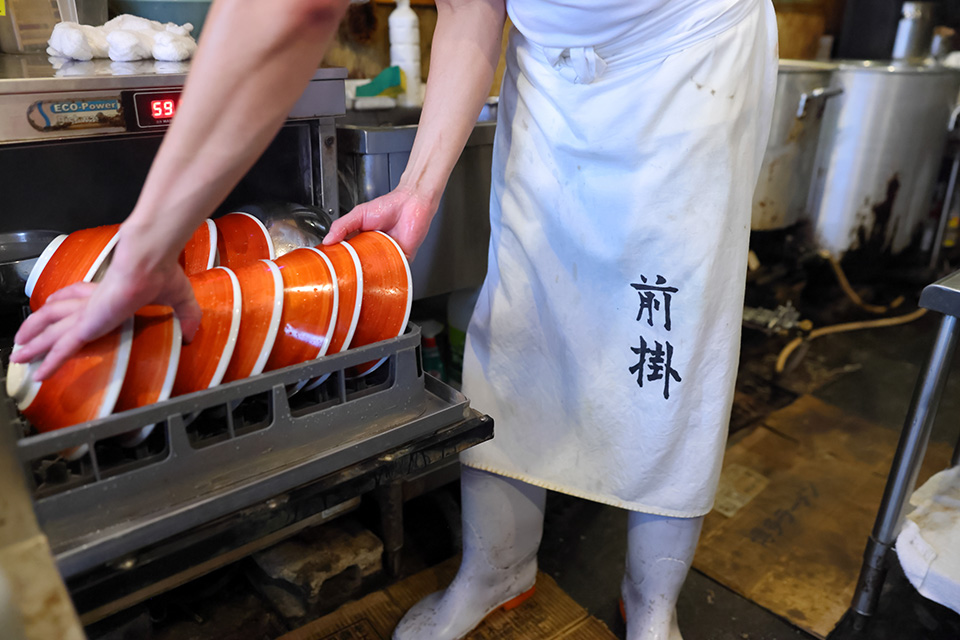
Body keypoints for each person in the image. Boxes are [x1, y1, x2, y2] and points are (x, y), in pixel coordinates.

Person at [13, 0, 778, 639]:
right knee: (518, 318)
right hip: (553, 74)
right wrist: (418, 188)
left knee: (671, 335)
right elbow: (471, 7)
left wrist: (149, 247)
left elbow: (291, 13)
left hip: (690, 56)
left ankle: (651, 602)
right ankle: (499, 565)